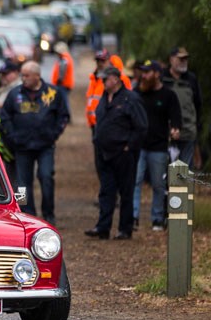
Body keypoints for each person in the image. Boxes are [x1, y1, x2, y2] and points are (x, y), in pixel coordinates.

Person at [0, 61, 69, 225]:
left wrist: (54, 134)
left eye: (26, 75)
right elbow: (5, 116)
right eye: (22, 75)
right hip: (21, 146)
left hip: (45, 145)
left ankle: (48, 212)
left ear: (37, 76)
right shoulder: (15, 93)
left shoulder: (53, 93)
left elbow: (63, 116)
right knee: (22, 185)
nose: (23, 79)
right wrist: (12, 135)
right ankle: (24, 213)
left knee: (46, 177)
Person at [85, 67, 148, 240]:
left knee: (126, 191)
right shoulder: (104, 99)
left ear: (115, 79)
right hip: (104, 152)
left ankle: (125, 229)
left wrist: (130, 146)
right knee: (106, 190)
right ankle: (103, 227)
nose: (103, 83)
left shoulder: (131, 98)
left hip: (123, 153)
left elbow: (141, 127)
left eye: (105, 79)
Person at [133, 60, 182, 232]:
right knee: (135, 180)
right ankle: (133, 216)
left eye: (147, 73)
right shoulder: (138, 93)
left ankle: (157, 218)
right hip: (139, 146)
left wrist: (175, 129)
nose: (143, 76)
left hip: (158, 147)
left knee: (158, 184)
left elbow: (176, 116)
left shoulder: (168, 95)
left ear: (156, 74)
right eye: (142, 72)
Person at [162, 46, 202, 168]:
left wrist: (196, 125)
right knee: (168, 169)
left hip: (188, 130)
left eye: (186, 59)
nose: (184, 61)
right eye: (180, 59)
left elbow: (198, 104)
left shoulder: (191, 79)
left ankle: (183, 187)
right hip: (166, 132)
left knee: (185, 168)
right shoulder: (163, 78)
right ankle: (171, 187)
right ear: (171, 59)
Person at [50, 42, 74, 120]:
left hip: (63, 84)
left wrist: (59, 81)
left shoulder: (64, 59)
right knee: (63, 100)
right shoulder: (66, 58)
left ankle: (66, 116)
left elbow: (62, 72)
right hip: (65, 84)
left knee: (63, 101)